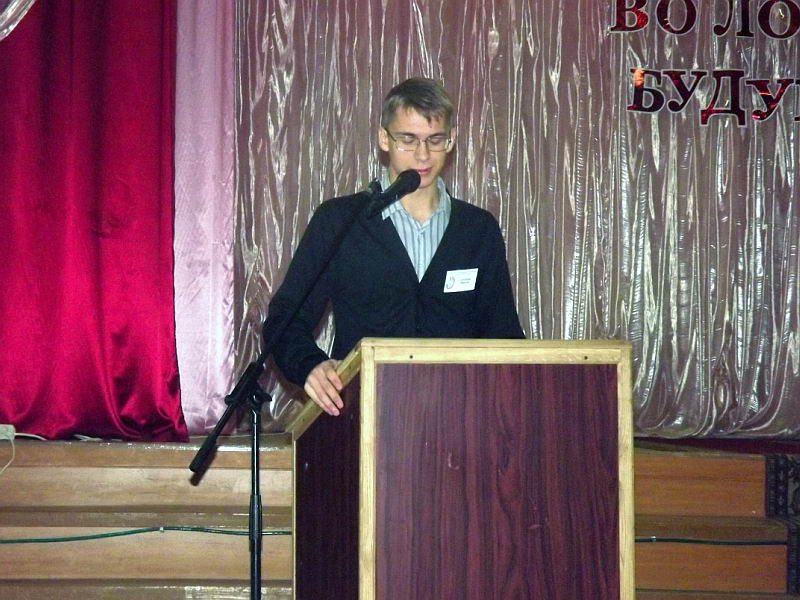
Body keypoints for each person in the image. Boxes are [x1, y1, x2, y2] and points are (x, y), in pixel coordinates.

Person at [263, 78, 524, 416]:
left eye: (435, 140)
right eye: (408, 139)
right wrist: (310, 365)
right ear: (384, 139)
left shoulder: (478, 229)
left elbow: (504, 337)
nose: (423, 155)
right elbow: (284, 320)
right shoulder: (341, 221)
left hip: (459, 420)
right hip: (362, 415)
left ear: (452, 140)